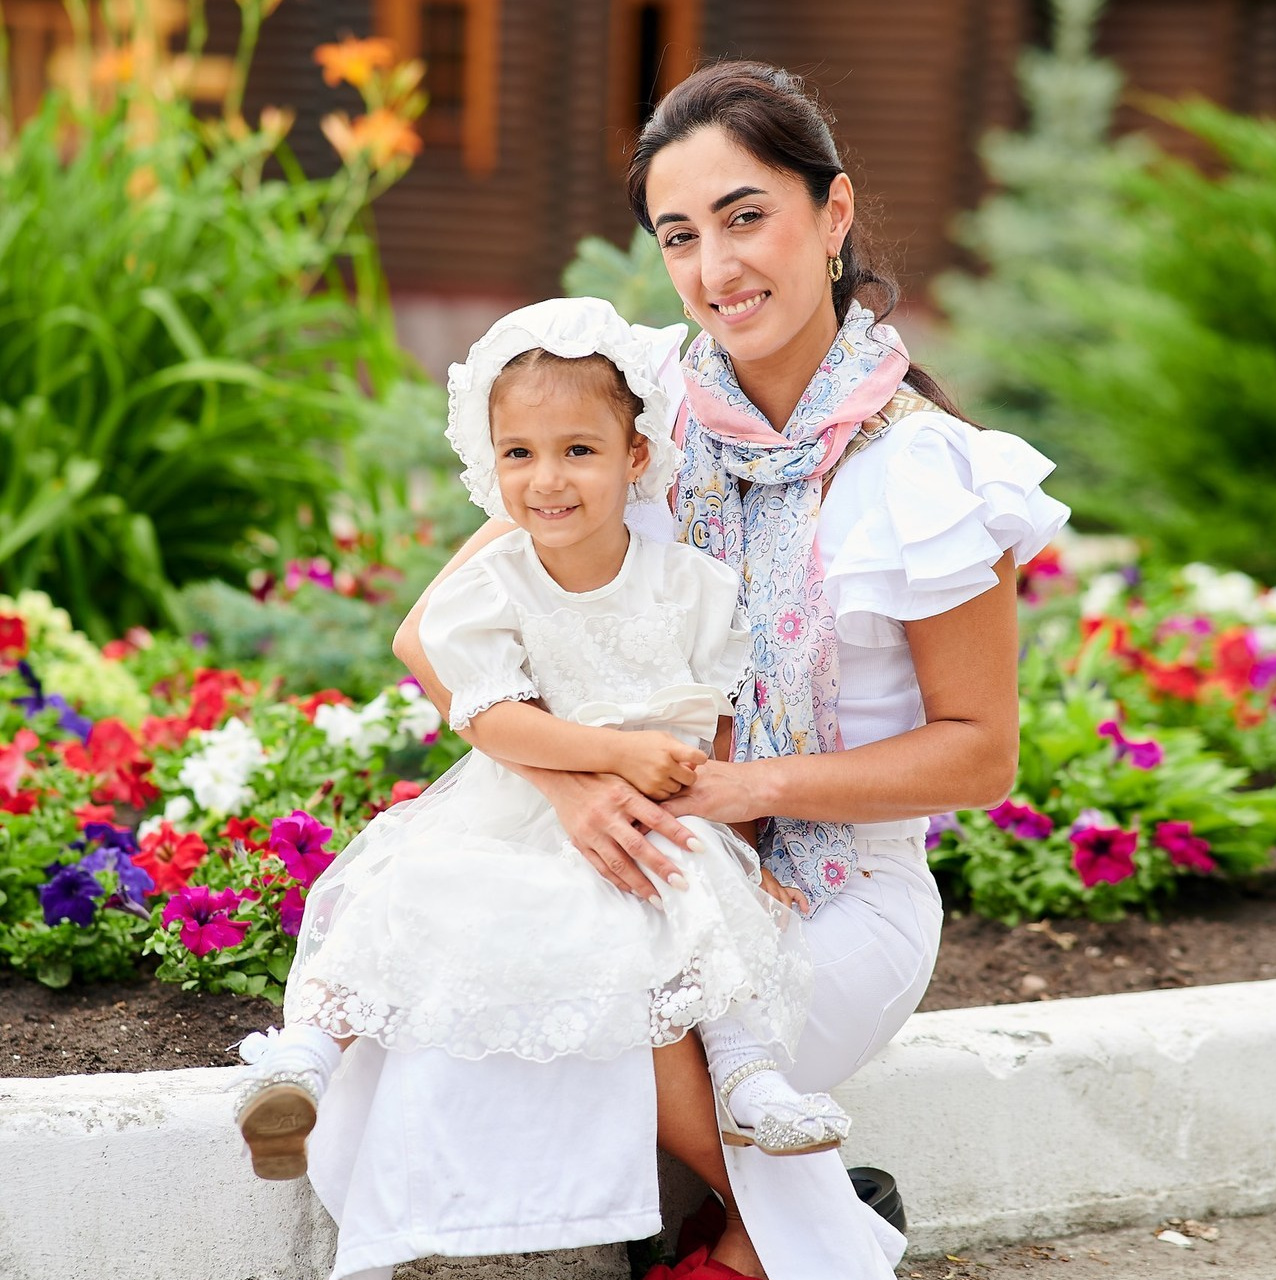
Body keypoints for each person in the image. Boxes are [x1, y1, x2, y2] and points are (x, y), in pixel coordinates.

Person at [393, 62, 1071, 1280]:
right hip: (644, 850)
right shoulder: (640, 407)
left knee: (588, 981)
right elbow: (427, 632)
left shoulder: (922, 469)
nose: (716, 269)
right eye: (679, 235)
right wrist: (572, 785)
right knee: (459, 954)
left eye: (746, 215)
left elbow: (980, 751)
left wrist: (737, 791)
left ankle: (774, 1229)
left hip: (834, 893)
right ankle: (802, 1216)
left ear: (834, 212)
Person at [235, 296, 859, 1280]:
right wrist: (607, 756)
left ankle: (746, 1074)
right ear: (489, 461)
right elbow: (486, 714)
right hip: (509, 803)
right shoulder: (497, 579)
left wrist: (738, 837)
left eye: (576, 449)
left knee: (687, 898)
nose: (546, 478)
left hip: (654, 810)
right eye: (517, 453)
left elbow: (713, 721)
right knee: (397, 890)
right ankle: (301, 1057)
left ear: (635, 457)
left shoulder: (690, 583)